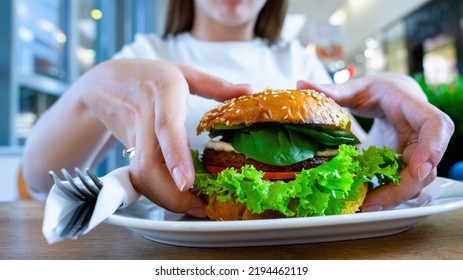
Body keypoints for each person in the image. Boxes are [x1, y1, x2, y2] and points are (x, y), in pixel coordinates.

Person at [22, 0, 454, 217]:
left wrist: (396, 128)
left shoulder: (298, 60)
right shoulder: (144, 53)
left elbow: (347, 171)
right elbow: (40, 180)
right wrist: (90, 88)